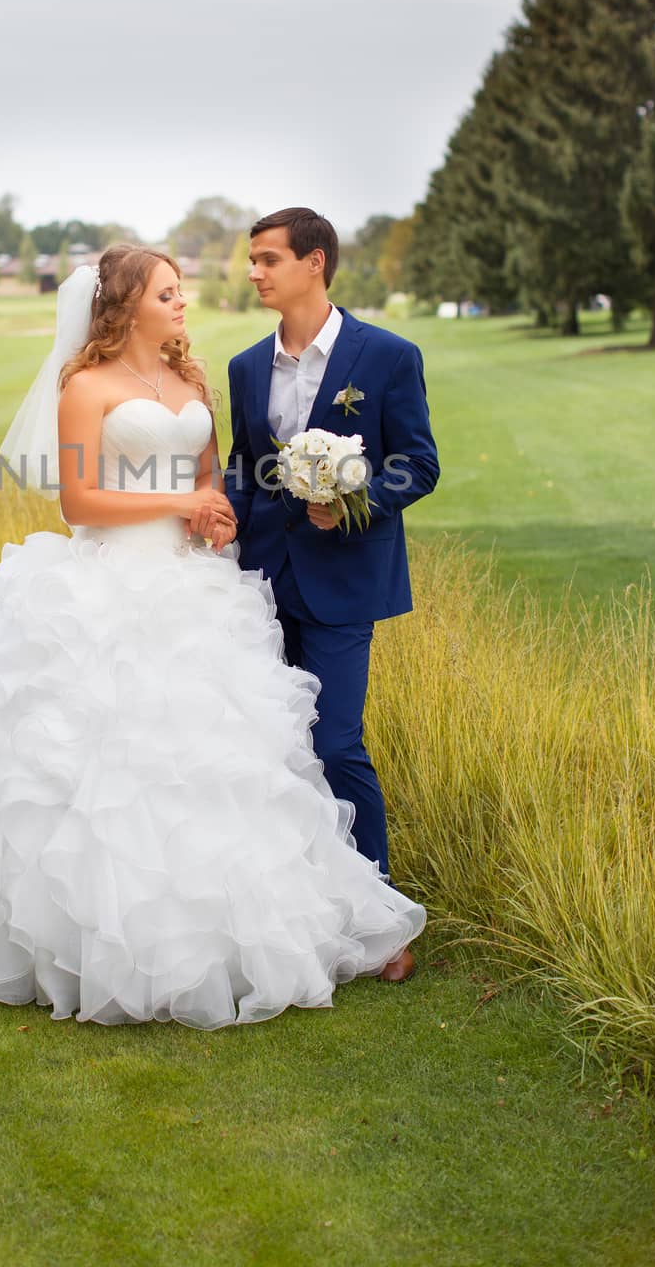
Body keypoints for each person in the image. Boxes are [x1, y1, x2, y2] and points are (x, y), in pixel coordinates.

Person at [0, 244, 425, 1028]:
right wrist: (176, 508)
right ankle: (90, 939)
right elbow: (78, 502)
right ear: (124, 305)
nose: (182, 303)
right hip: (109, 583)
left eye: (180, 292)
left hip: (196, 586)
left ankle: (237, 927)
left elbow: (211, 475)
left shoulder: (190, 379)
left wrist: (212, 508)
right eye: (167, 293)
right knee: (103, 759)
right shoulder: (85, 384)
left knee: (218, 760)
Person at [225, 209, 440, 983]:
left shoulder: (385, 356)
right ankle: (289, 913)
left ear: (313, 263)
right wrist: (219, 518)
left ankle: (380, 920)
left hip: (345, 583)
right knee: (270, 748)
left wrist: (356, 498)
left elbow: (418, 462)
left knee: (336, 743)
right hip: (260, 581)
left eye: (266, 258)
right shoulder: (247, 366)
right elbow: (245, 466)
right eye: (251, 260)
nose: (254, 271)